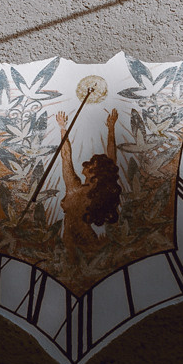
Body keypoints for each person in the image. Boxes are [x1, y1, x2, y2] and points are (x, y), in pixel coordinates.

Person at [55, 108, 122, 274]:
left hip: (79, 244)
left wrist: (63, 129)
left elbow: (67, 157)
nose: (89, 164)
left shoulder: (79, 189)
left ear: (96, 174)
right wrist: (63, 129)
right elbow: (66, 156)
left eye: (93, 164)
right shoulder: (79, 188)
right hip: (76, 244)